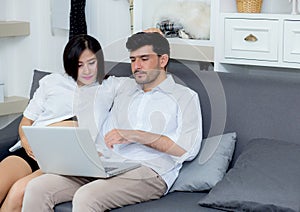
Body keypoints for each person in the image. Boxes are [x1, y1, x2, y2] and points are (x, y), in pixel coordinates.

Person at [22, 32, 203, 212]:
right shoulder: (122, 86)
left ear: (163, 60)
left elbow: (187, 149)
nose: (136, 66)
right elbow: (83, 86)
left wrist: (136, 135)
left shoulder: (185, 97)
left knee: (86, 197)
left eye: (144, 59)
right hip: (106, 164)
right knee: (36, 188)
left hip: (150, 170)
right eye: (133, 60)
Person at [0, 34, 112, 212]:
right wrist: (27, 142)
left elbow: (146, 75)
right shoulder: (51, 82)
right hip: (32, 150)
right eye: (79, 65)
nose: (87, 71)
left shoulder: (110, 87)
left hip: (64, 158)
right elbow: (26, 120)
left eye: (91, 63)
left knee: (18, 192)